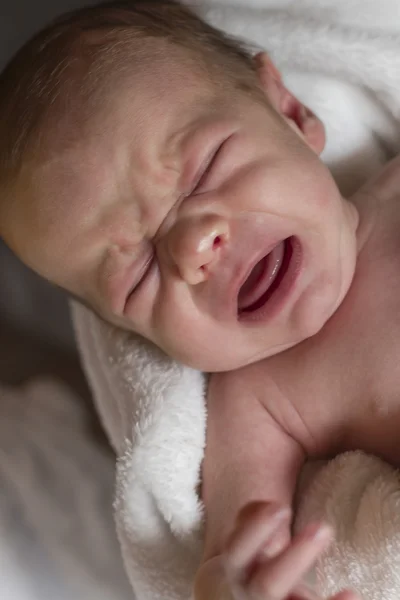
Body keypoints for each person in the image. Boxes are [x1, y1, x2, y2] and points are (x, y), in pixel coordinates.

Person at [1, 1, 397, 598]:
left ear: (291, 113)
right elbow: (239, 553)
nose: (193, 248)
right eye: (137, 276)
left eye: (206, 167)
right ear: (134, 336)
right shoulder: (259, 402)